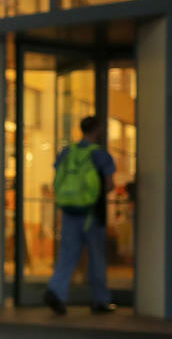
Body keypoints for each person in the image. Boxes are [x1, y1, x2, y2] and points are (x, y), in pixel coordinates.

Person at [44, 116, 117, 315]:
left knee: (67, 253)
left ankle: (56, 291)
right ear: (98, 130)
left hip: (69, 210)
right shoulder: (100, 155)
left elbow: (58, 178)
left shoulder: (68, 151)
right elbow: (109, 185)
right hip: (92, 213)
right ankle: (100, 300)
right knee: (96, 256)